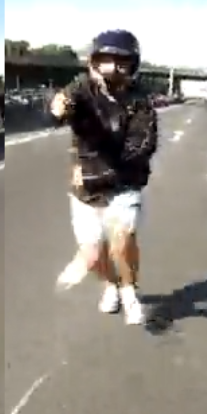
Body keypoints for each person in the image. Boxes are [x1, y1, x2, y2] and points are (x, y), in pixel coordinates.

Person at [50, 29, 157, 320]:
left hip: (124, 184)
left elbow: (140, 149)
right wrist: (58, 107)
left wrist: (95, 176)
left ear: (133, 66)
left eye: (122, 62)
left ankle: (129, 291)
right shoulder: (82, 88)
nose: (114, 68)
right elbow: (63, 106)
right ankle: (110, 285)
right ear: (94, 62)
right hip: (85, 191)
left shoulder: (141, 101)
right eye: (107, 60)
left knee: (121, 241)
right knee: (94, 255)